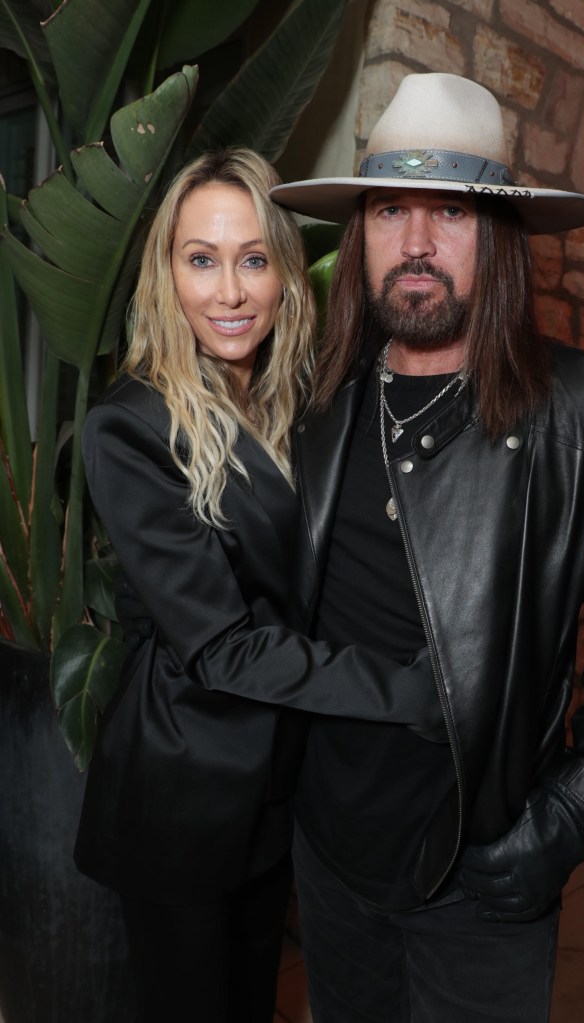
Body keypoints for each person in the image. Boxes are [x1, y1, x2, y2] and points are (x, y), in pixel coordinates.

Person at [270, 73, 584, 1022]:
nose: (414, 244)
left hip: (486, 872)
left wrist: (578, 807)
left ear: (498, 236)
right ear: (359, 229)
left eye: (450, 211)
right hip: (327, 857)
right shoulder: (314, 403)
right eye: (387, 209)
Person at [75, 147, 441, 1023]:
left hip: (277, 786)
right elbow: (222, 643)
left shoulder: (295, 406)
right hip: (184, 788)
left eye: (252, 259)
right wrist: (411, 691)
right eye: (200, 259)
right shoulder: (129, 427)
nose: (228, 292)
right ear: (166, 276)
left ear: (284, 272)